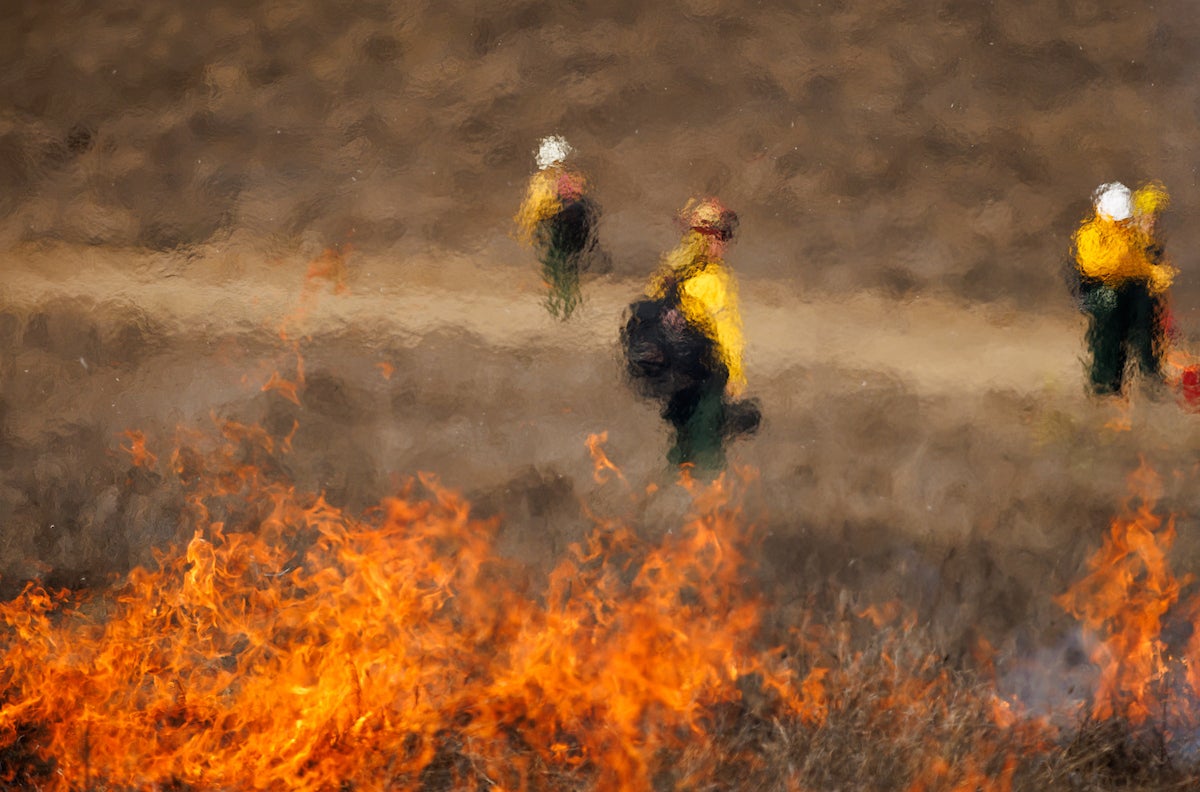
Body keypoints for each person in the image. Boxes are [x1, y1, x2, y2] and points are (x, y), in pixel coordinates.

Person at [622, 198, 760, 471]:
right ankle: (700, 502)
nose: (724, 243)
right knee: (706, 449)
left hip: (674, 380)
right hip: (706, 378)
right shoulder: (714, 279)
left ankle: (675, 495)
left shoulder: (670, 271)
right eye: (720, 236)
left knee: (682, 442)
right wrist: (735, 379)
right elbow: (726, 335)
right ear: (706, 237)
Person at [1072, 181, 1177, 396]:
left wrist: (1153, 273)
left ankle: (1148, 377)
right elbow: (1094, 267)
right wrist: (1124, 265)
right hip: (1098, 290)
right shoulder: (1090, 234)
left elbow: (1136, 263)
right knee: (1109, 330)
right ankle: (1103, 385)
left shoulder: (1128, 235)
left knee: (1144, 312)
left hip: (1122, 290)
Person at [515, 135, 600, 319]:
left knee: (564, 273)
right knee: (559, 273)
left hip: (563, 232)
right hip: (554, 232)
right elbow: (538, 213)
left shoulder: (558, 181)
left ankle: (564, 308)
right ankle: (560, 308)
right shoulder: (543, 183)